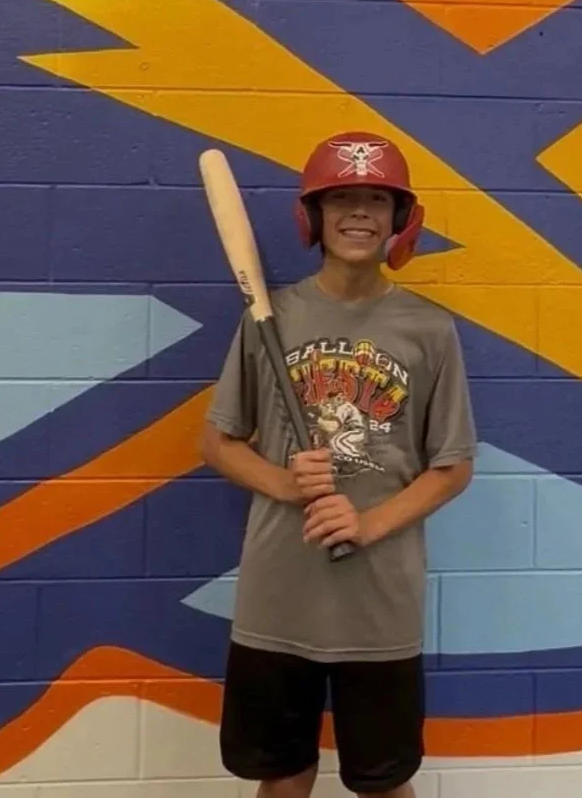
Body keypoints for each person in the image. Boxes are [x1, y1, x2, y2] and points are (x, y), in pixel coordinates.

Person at [200, 131, 477, 798]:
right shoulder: (270, 318)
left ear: (399, 217)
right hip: (279, 595)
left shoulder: (429, 328)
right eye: (340, 198)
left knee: (383, 782)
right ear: (313, 217)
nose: (358, 212)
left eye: (375, 199)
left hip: (379, 605)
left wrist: (367, 523)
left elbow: (452, 466)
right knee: (282, 777)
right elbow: (217, 441)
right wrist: (284, 482)